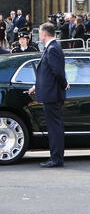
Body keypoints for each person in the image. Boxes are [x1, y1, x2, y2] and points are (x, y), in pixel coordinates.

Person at [28, 23, 70, 168]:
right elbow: (48, 73)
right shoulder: (51, 48)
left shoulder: (52, 49)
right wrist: (36, 86)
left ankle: (56, 158)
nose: (39, 37)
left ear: (45, 34)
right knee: (54, 128)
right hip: (50, 94)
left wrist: (64, 84)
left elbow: (57, 72)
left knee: (55, 129)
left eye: (40, 34)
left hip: (53, 95)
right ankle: (55, 157)